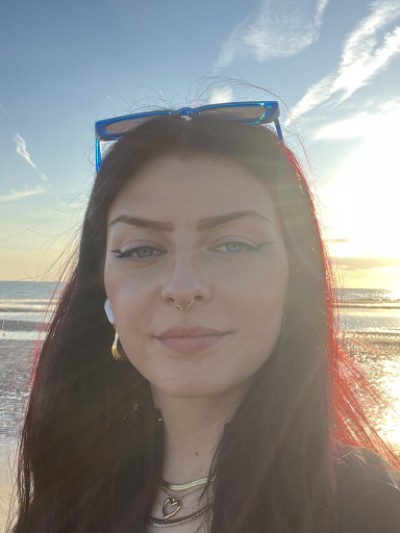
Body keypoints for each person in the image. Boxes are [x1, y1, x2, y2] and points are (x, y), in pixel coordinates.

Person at [9, 102, 400, 533]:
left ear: (293, 279)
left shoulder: (372, 508)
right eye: (141, 249)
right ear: (103, 290)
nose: (183, 287)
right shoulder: (65, 502)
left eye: (233, 245)